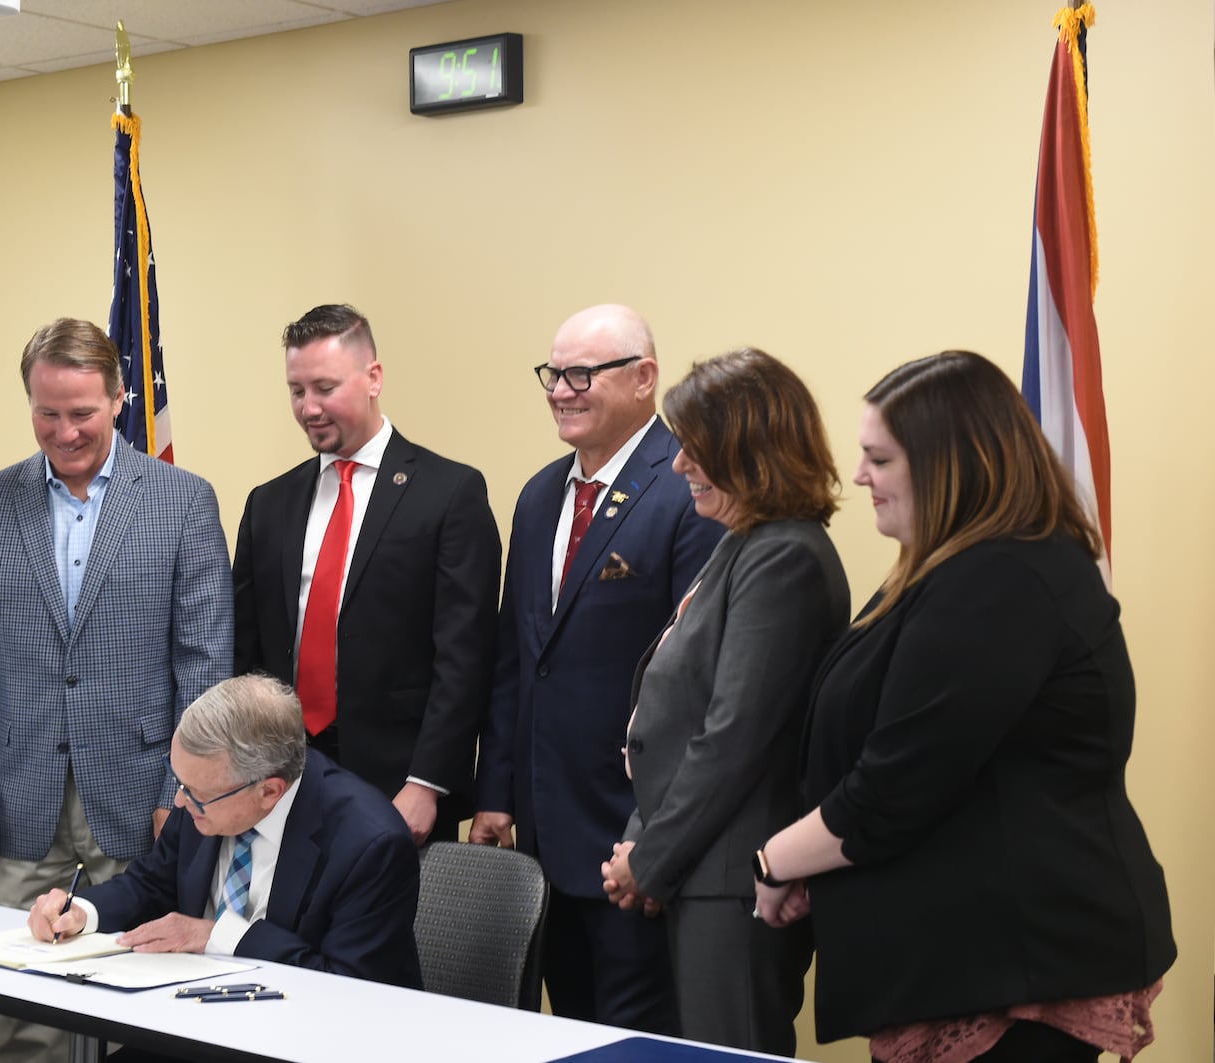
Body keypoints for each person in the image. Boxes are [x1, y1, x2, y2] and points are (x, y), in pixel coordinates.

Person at [754, 351, 1175, 1062]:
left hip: (1022, 961)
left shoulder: (998, 579)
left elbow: (894, 785)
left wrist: (775, 859)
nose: (859, 476)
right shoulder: (955, 568)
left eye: (878, 459)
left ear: (950, 463)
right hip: (975, 954)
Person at [0, 317, 232, 1061]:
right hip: (17, 794)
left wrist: (181, 789)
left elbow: (204, 665)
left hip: (141, 797)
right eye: (47, 413)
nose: (64, 431)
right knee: (24, 1002)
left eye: (83, 413)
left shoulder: (182, 500)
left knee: (136, 996)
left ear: (121, 398)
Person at [471, 304, 723, 1033]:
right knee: (568, 1033)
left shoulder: (687, 489)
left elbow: (695, 679)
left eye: (583, 373)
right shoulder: (541, 493)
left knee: (639, 1043)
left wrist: (657, 830)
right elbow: (517, 661)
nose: (561, 389)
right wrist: (496, 794)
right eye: (554, 373)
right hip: (545, 840)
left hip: (633, 840)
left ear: (644, 378)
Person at [599, 348, 847, 1056]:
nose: (679, 466)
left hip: (735, 878)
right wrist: (646, 843)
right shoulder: (747, 544)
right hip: (704, 870)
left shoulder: (786, 556)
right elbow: (675, 726)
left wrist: (649, 857)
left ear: (749, 448)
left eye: (695, 449)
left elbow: (732, 736)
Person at [232, 304, 500, 845]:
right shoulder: (269, 503)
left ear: (373, 377)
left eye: (325, 388)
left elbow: (465, 657)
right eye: (296, 390)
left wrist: (428, 782)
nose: (309, 408)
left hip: (399, 783)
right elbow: (246, 649)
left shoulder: (449, 494)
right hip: (284, 777)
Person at [28, 674, 422, 992]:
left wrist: (220, 934)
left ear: (269, 791)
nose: (180, 804)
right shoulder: (207, 790)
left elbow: (347, 986)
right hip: (189, 1019)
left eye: (195, 794)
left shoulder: (371, 846)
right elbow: (151, 885)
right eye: (178, 781)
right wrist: (82, 912)